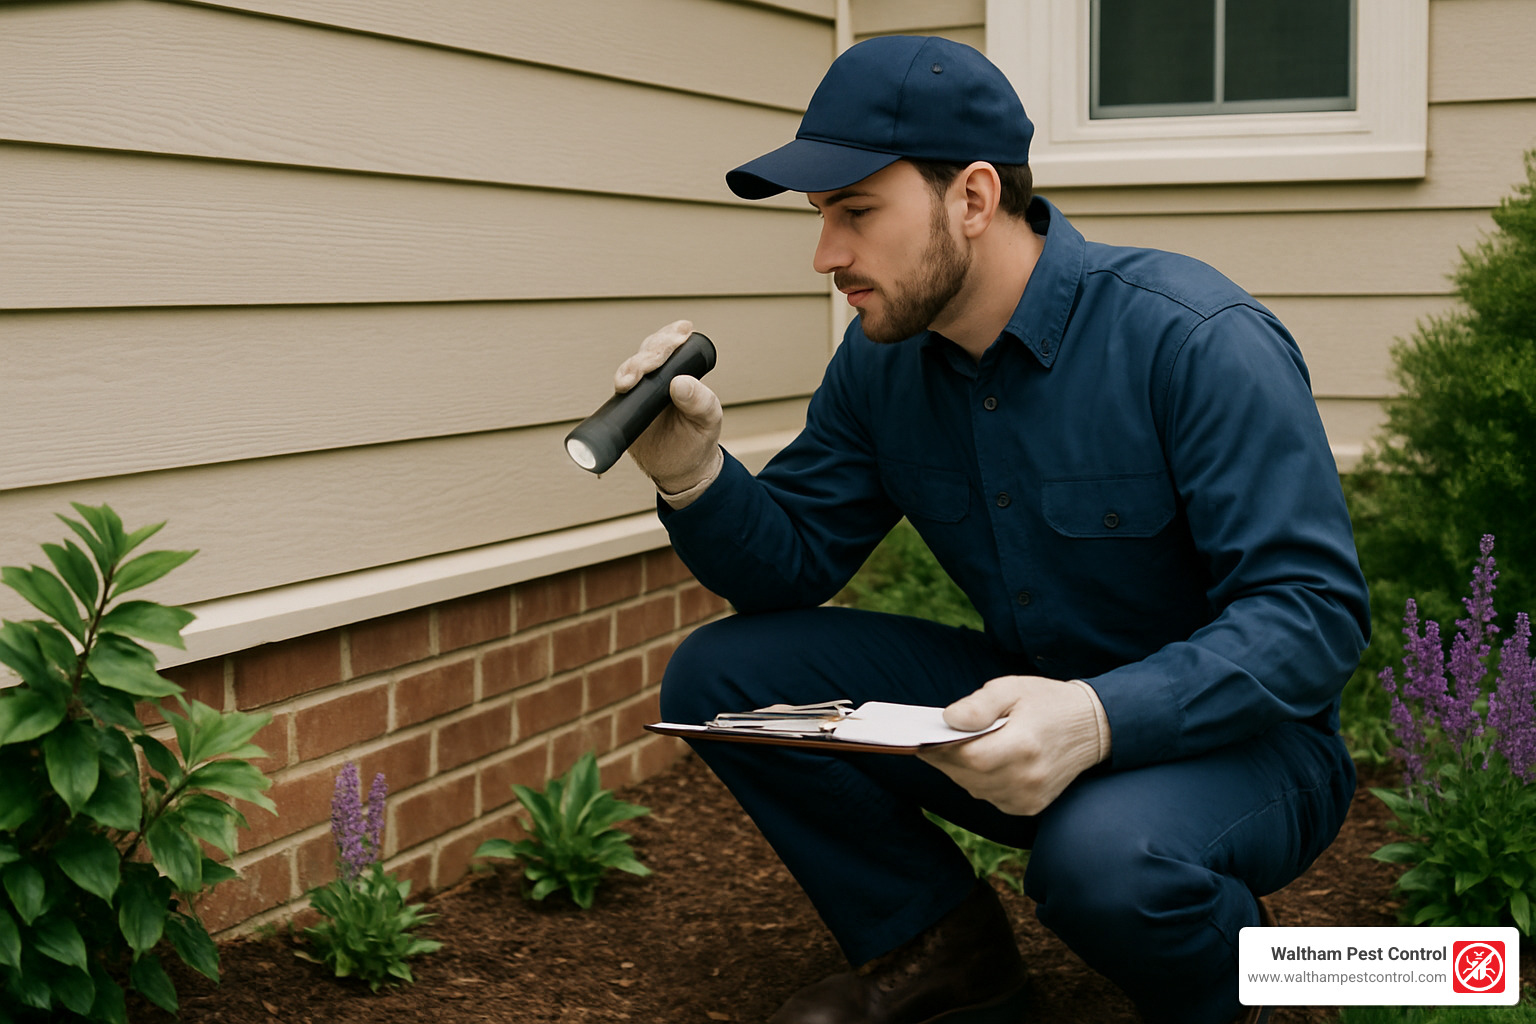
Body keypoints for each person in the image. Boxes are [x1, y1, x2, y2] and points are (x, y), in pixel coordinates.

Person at [612, 35, 1369, 1024]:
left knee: (1100, 861)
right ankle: (940, 950)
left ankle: (1285, 992)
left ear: (971, 198)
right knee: (723, 679)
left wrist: (1097, 718)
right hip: (1021, 706)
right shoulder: (884, 367)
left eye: (855, 213)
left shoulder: (1194, 340)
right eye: (820, 218)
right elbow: (790, 564)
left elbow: (1311, 616)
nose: (826, 255)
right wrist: (693, 475)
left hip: (1244, 744)